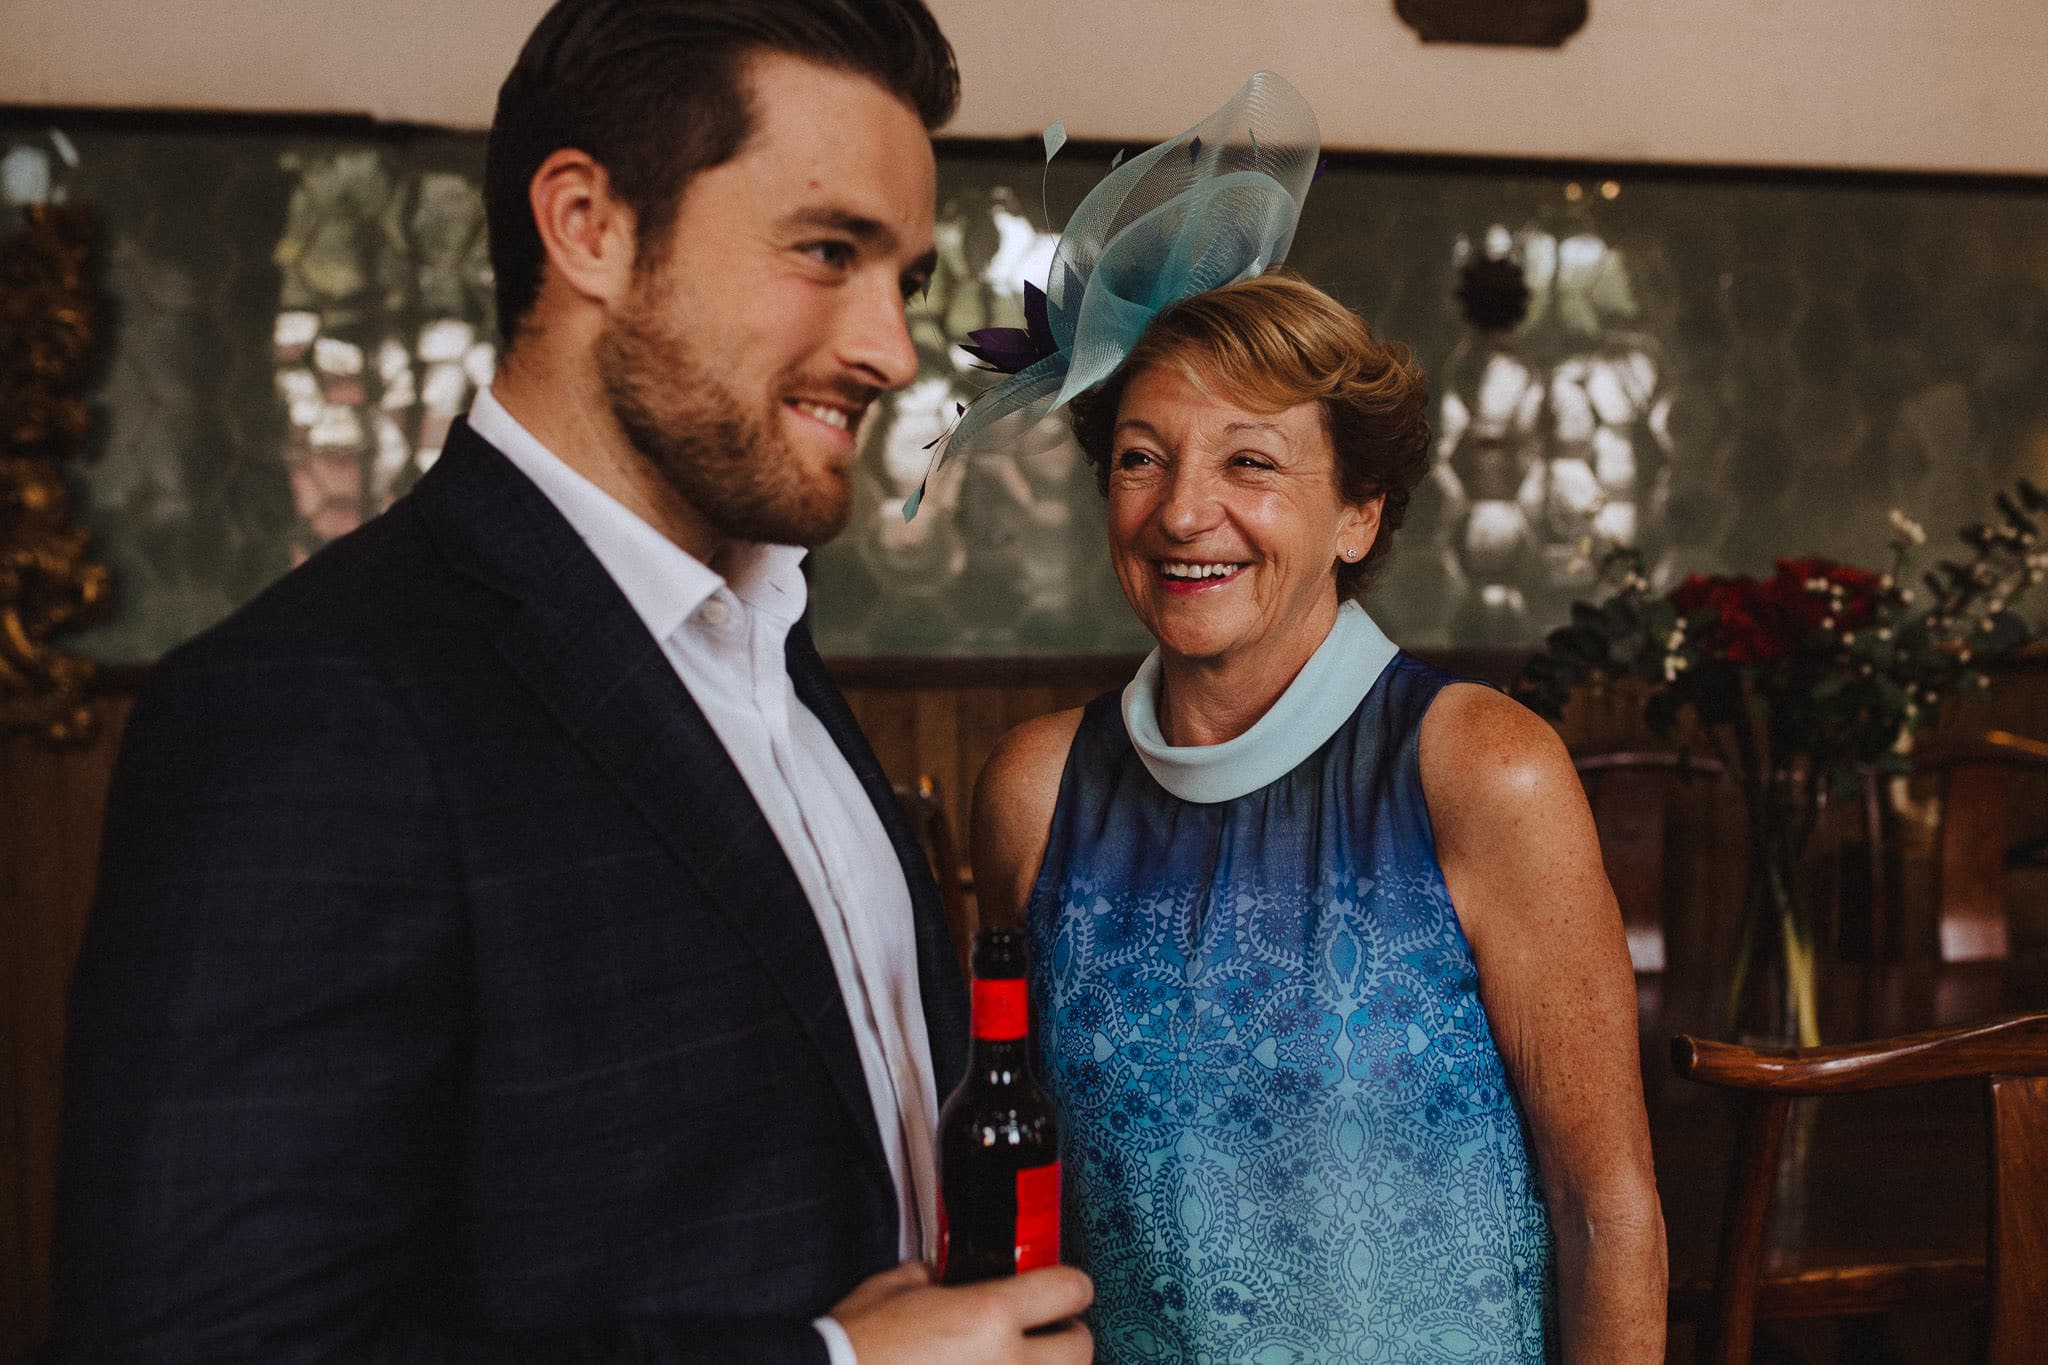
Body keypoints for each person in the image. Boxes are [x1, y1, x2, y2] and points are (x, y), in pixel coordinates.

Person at [52, 1, 1092, 1359]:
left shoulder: (769, 644)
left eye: (901, 277)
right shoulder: (311, 709)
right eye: (828, 251)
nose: (893, 348)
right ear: (588, 223)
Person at [971, 271, 1667, 1361]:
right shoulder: (1035, 788)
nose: (1182, 511)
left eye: (1248, 461)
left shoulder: (1480, 768)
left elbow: (1603, 1208)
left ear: (1358, 511)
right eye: (1141, 458)